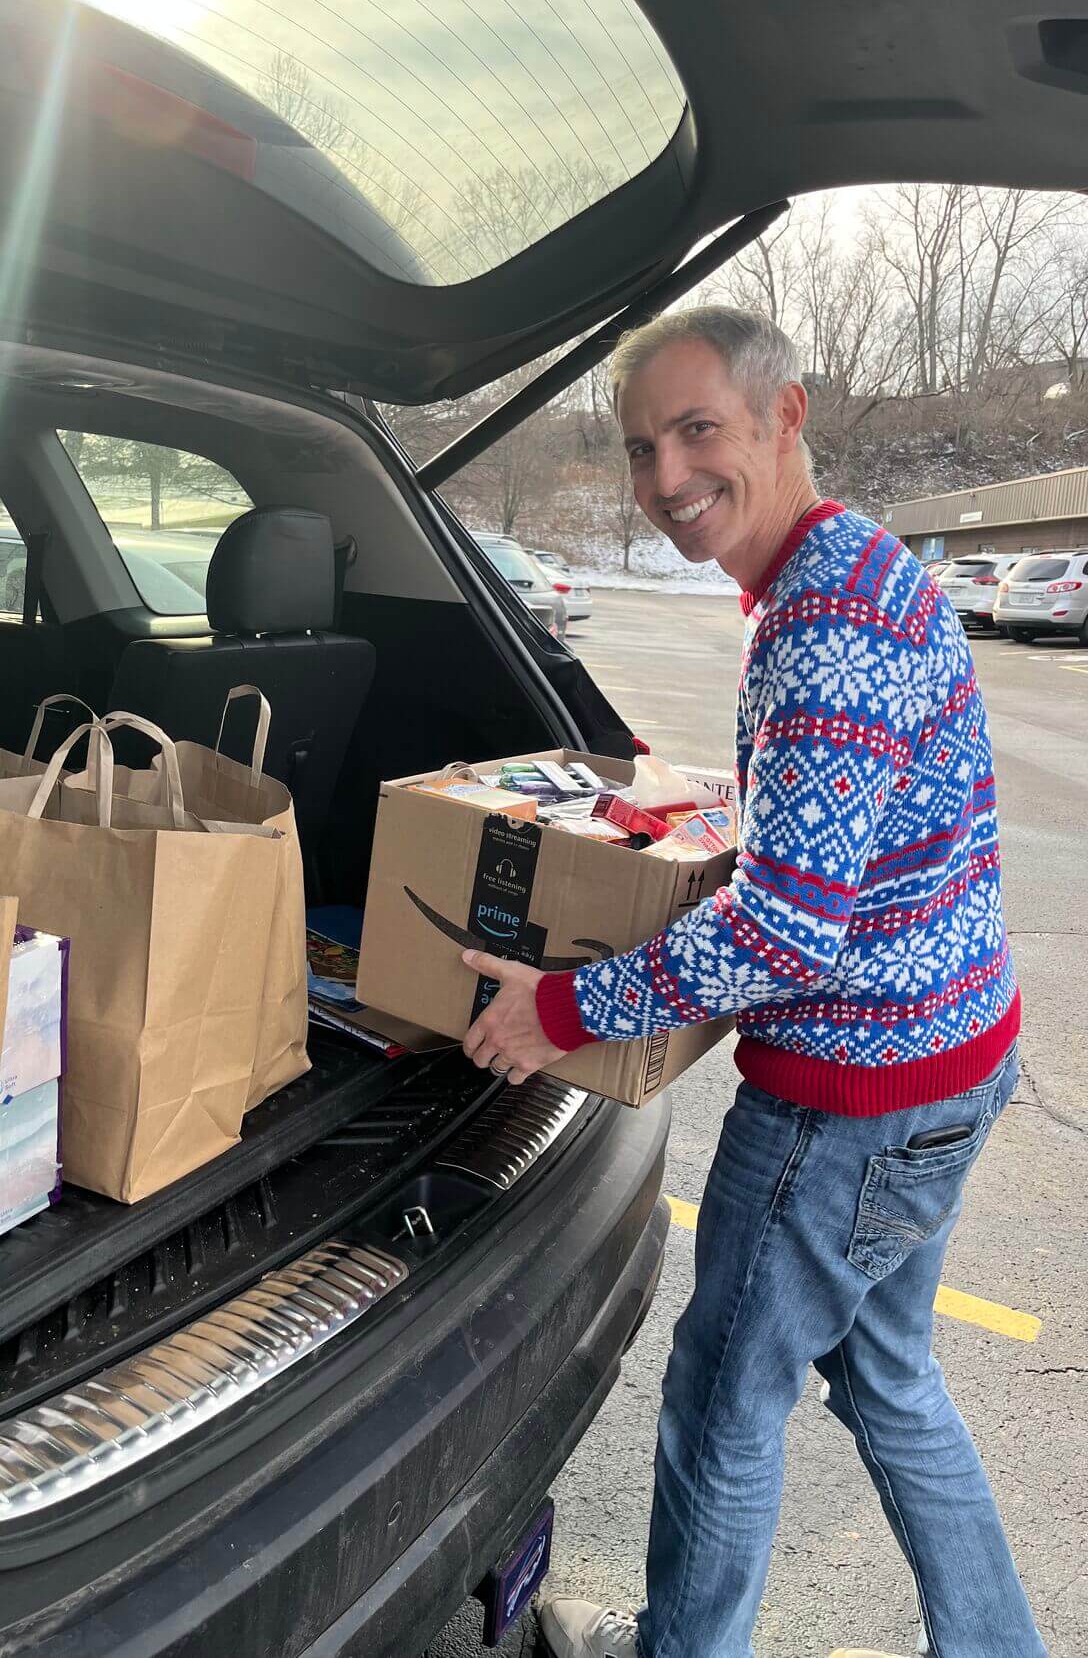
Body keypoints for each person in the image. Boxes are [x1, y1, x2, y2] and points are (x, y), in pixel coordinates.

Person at [460, 306, 1043, 1658]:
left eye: (697, 430)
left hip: (849, 1106)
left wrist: (557, 1011)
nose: (665, 479)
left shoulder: (823, 628)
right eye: (639, 447)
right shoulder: (860, 570)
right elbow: (847, 827)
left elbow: (787, 933)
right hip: (956, 1054)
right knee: (890, 1378)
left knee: (723, 1402)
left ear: (786, 417)